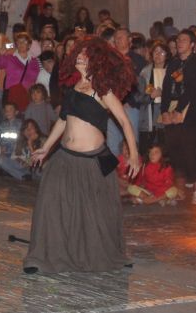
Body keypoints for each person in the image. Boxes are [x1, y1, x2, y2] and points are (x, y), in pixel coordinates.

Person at [23, 36, 140, 274]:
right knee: (49, 201)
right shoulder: (74, 87)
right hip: (65, 158)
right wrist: (46, 148)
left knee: (94, 215)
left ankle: (106, 254)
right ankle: (41, 257)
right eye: (79, 53)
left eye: (85, 54)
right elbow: (63, 120)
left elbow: (125, 123)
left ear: (95, 60)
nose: (79, 56)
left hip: (92, 161)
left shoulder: (102, 89)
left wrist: (135, 155)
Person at [161, 30, 196, 205]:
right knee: (175, 150)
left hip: (191, 113)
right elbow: (166, 87)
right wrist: (165, 110)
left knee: (192, 150)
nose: (180, 42)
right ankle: (179, 190)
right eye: (178, 40)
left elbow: (193, 89)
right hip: (173, 110)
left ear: (192, 44)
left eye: (184, 40)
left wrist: (179, 110)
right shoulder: (173, 63)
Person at [107, 28, 146, 153]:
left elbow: (142, 85)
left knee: (131, 143)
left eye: (121, 37)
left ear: (129, 40)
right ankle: (114, 172)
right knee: (112, 144)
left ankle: (131, 170)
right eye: (116, 38)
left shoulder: (138, 60)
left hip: (129, 107)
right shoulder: (109, 59)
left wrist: (132, 102)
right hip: (112, 106)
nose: (117, 40)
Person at [0, 32, 41, 112]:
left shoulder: (34, 61)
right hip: (11, 94)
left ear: (29, 45)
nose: (21, 44)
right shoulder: (9, 57)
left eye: (24, 41)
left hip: (27, 95)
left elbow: (36, 78)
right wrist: (0, 54)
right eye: (19, 41)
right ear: (16, 44)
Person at [138, 41, 169, 155]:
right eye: (156, 52)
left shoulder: (173, 71)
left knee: (166, 151)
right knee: (147, 151)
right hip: (149, 117)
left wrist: (164, 93)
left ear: (167, 54)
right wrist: (150, 96)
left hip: (167, 116)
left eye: (162, 52)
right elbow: (138, 97)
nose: (158, 54)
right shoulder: (145, 72)